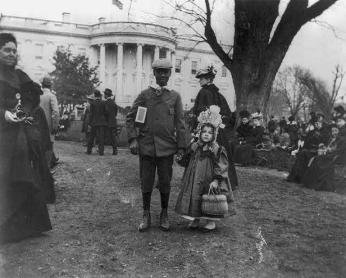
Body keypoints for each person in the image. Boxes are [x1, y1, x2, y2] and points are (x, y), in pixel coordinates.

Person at [0, 33, 52, 243]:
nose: (12, 54)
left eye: (14, 50)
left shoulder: (20, 75)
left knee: (22, 174)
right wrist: (4, 113)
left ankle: (24, 227)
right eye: (7, 50)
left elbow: (33, 96)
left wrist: (24, 111)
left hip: (18, 134)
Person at [126, 58, 187, 232]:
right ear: (154, 73)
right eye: (159, 71)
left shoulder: (174, 96)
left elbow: (180, 123)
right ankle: (146, 214)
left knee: (166, 182)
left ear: (170, 74)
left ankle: (164, 213)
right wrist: (132, 139)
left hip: (167, 148)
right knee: (146, 181)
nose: (162, 75)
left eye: (165, 72)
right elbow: (131, 118)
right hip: (146, 147)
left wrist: (181, 147)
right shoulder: (145, 95)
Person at [175, 107, 235, 232]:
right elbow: (185, 160)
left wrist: (217, 180)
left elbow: (221, 165)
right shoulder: (195, 145)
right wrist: (185, 153)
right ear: (199, 132)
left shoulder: (216, 148)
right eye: (204, 131)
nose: (206, 134)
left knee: (209, 196)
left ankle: (210, 221)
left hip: (209, 178)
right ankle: (195, 218)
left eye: (210, 132)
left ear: (214, 134)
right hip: (194, 176)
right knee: (195, 194)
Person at [191, 65, 238, 189]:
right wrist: (220, 125)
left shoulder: (203, 92)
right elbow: (228, 115)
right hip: (218, 133)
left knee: (205, 154)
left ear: (208, 79)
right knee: (219, 154)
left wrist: (196, 129)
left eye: (201, 78)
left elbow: (199, 113)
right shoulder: (219, 95)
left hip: (206, 132)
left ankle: (204, 180)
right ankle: (226, 181)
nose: (199, 80)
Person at [40, 76, 60, 168]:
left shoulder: (37, 95)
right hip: (48, 124)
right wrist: (55, 126)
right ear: (50, 86)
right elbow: (55, 112)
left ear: (42, 85)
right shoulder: (52, 96)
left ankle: (50, 161)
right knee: (49, 144)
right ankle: (47, 167)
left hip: (37, 124)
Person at [86, 90, 107, 156]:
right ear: (100, 95)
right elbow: (106, 112)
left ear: (95, 95)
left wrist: (89, 123)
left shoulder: (92, 103)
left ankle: (89, 151)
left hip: (94, 122)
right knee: (101, 137)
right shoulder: (103, 103)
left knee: (91, 137)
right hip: (102, 122)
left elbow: (91, 114)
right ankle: (101, 152)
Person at [104, 88, 118, 155]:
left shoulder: (105, 103)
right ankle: (115, 150)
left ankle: (100, 149)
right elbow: (115, 113)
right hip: (113, 122)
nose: (104, 95)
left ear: (106, 95)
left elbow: (105, 113)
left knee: (103, 135)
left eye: (104, 94)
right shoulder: (114, 103)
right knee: (113, 137)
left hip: (107, 122)